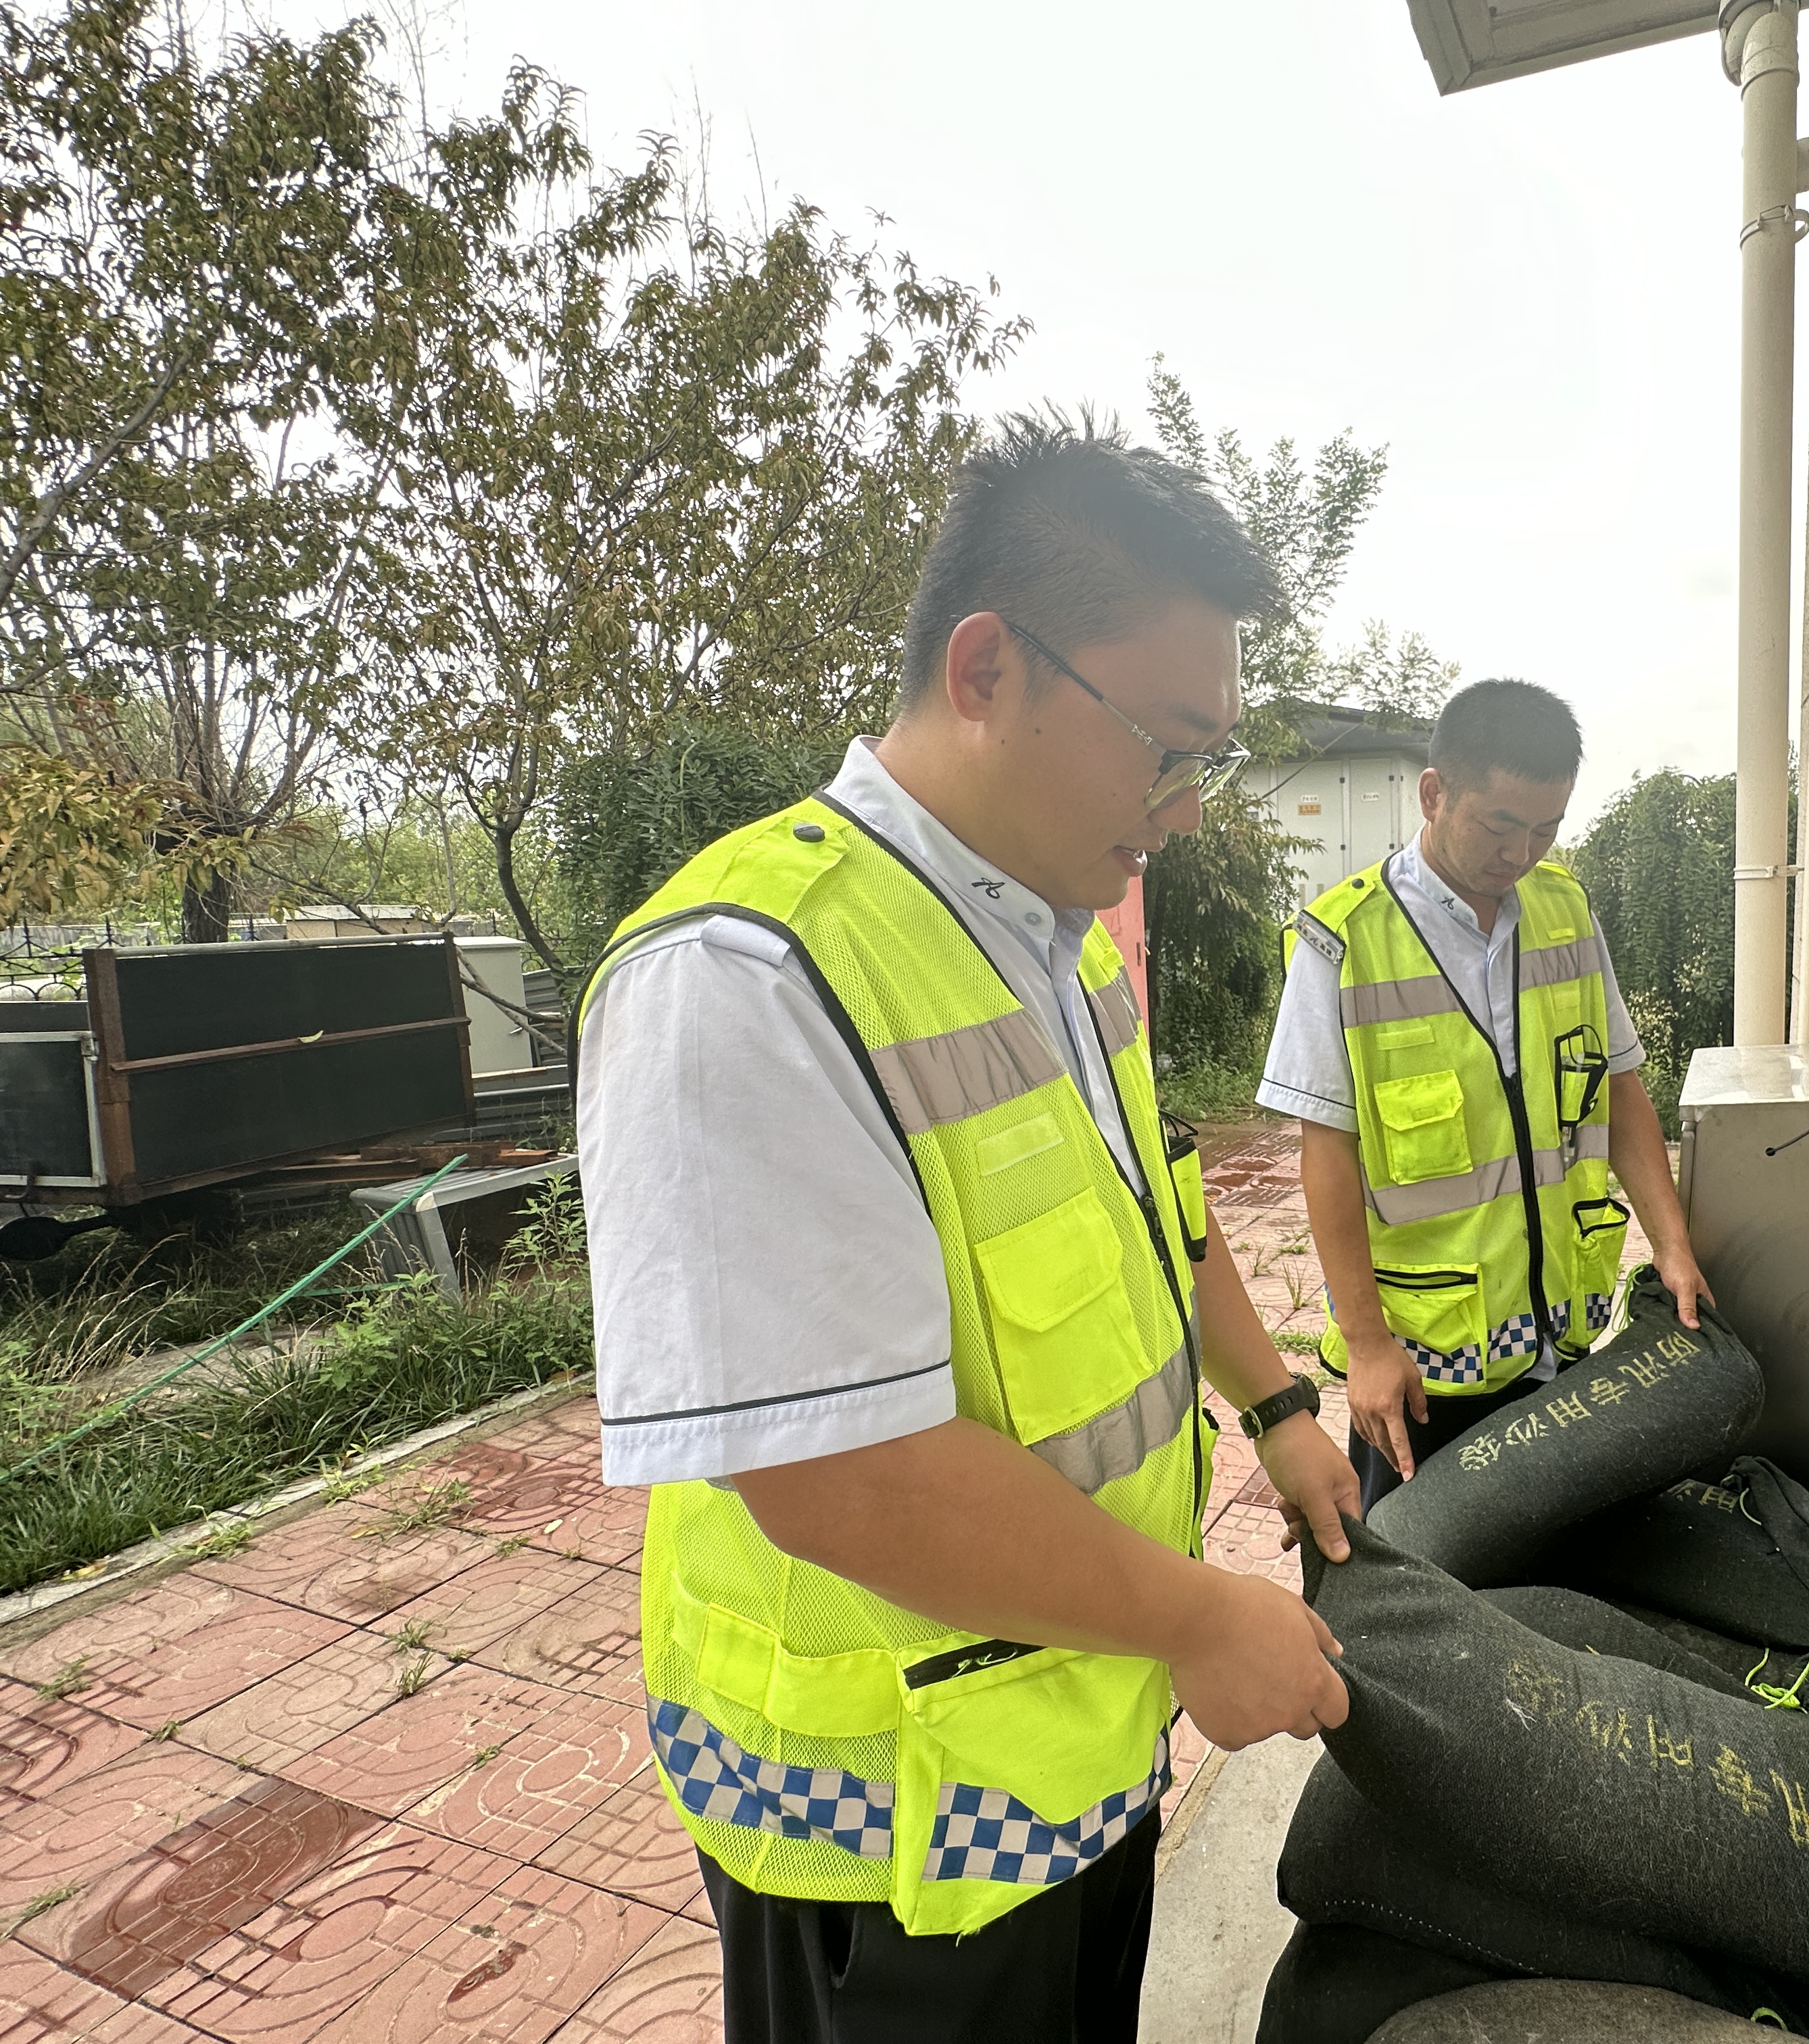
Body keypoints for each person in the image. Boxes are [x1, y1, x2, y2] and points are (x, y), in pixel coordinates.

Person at [577, 415, 1360, 2044]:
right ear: (988, 668)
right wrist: (1201, 1618)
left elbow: (1161, 1217)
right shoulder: (749, 977)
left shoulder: (1070, 951)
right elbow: (836, 1476)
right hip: (886, 1843)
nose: (1187, 809)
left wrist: (1280, 1405)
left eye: (1208, 759)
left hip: (1076, 1752)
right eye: (1167, 746)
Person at [1256, 679, 1711, 1510]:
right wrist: (1366, 1343)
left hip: (1561, 1342)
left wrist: (1672, 1245)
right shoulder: (1343, 940)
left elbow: (1617, 1087)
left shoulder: (1565, 911)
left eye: (1546, 829)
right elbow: (1327, 1153)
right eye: (1500, 826)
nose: (1521, 853)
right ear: (1434, 794)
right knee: (1421, 1571)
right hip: (1425, 1364)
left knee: (1549, 1564)